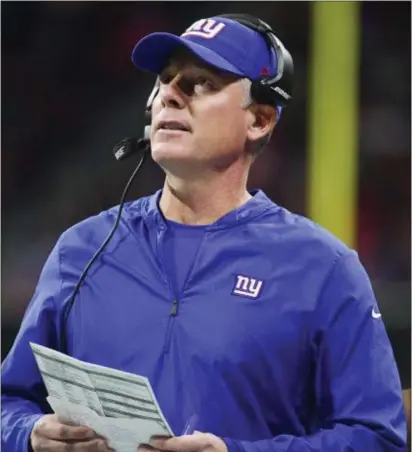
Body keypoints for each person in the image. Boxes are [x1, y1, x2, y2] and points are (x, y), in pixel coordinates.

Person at [1, 12, 408, 452]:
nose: (169, 96)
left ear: (260, 120)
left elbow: (377, 437)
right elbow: (9, 401)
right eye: (165, 80)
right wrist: (29, 433)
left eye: (201, 84)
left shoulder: (323, 267)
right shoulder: (82, 249)